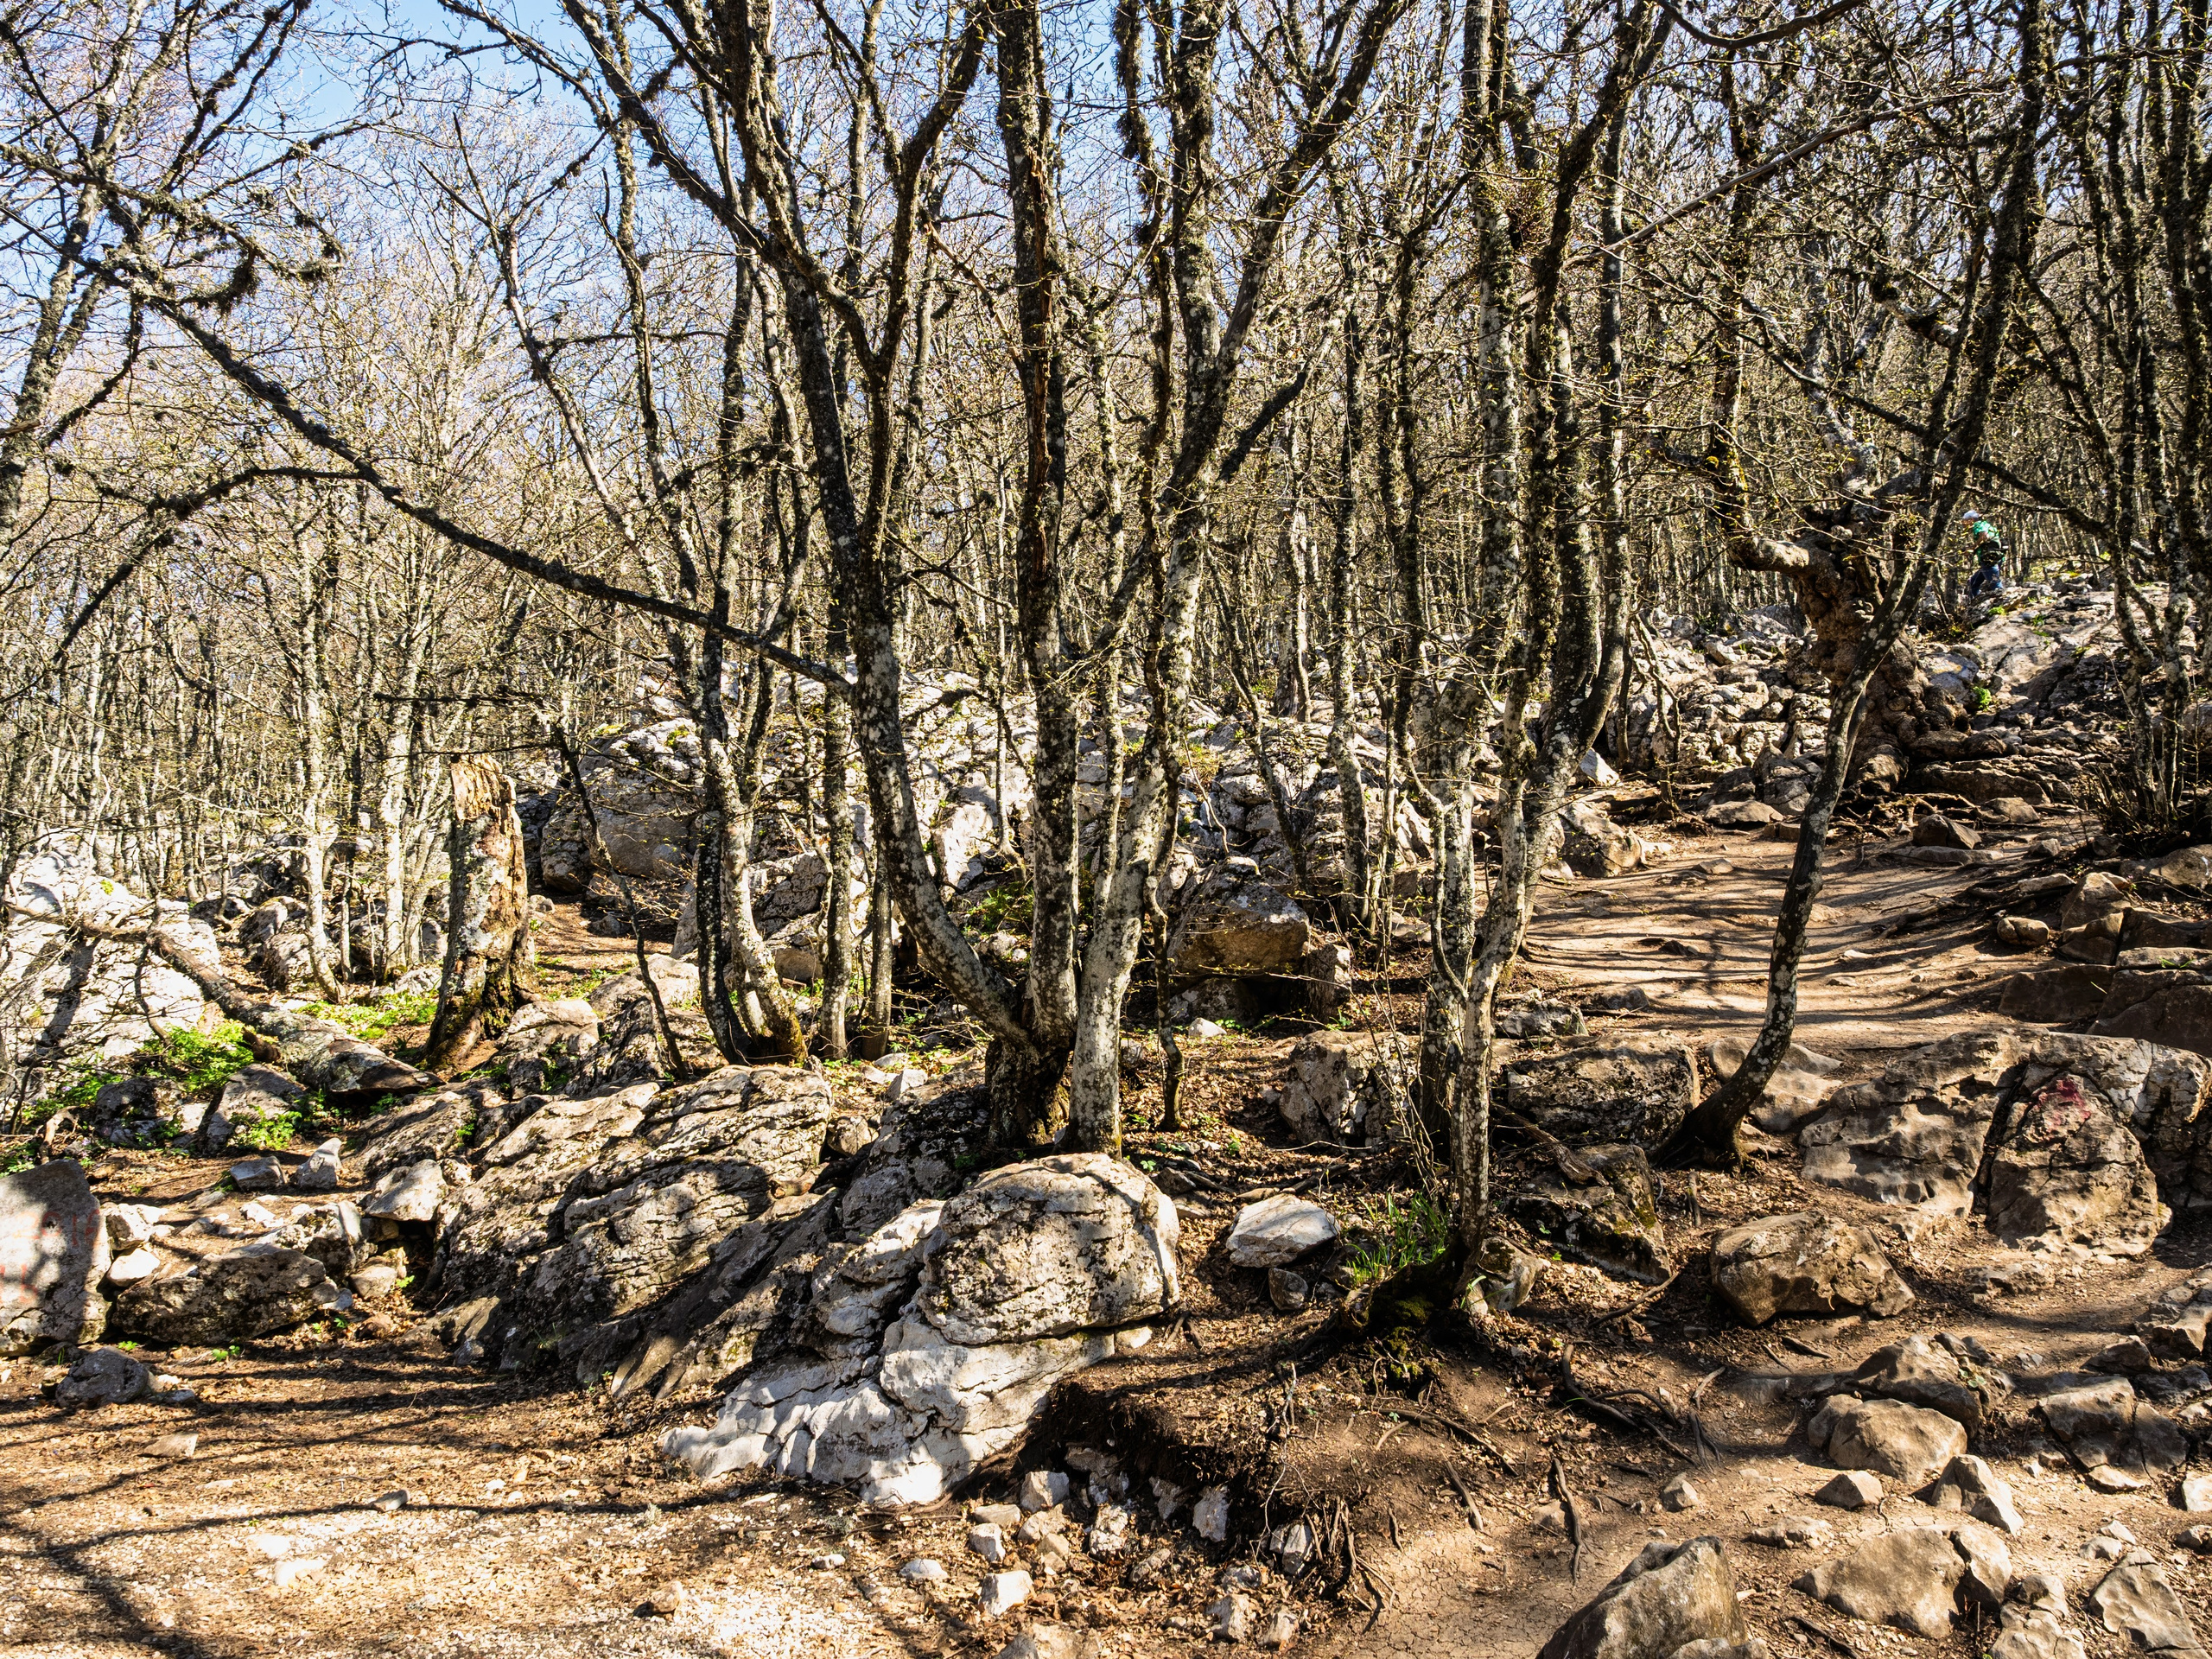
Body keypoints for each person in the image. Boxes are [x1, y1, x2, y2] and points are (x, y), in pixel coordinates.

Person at [1967, 517, 2005, 599]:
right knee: (1973, 583)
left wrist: (1973, 547)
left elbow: (1984, 535)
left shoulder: (1978, 525)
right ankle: (1975, 602)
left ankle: (2002, 602)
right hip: (1996, 558)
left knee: (1995, 584)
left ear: (1971, 520)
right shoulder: (1987, 525)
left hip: (1988, 560)